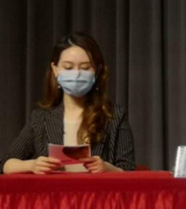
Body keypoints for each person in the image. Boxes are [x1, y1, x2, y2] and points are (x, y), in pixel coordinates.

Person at [1, 33, 136, 174]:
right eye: (68, 67)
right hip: (55, 189)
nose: (76, 74)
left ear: (97, 71)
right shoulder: (40, 118)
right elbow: (5, 163)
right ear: (55, 69)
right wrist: (31, 165)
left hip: (98, 189)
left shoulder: (114, 116)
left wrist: (108, 168)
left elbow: (129, 170)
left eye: (85, 68)